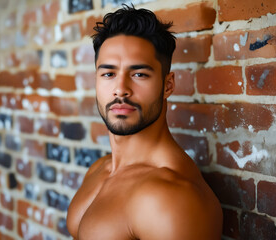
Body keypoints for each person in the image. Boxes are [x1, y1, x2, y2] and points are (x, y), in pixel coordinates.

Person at [67, 5, 222, 240]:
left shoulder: (170, 198)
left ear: (168, 85)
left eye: (139, 74)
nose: (120, 89)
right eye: (108, 74)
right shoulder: (99, 169)